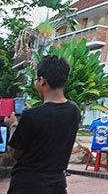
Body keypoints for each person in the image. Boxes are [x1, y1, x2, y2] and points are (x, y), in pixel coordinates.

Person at [3, 55, 81, 194]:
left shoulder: (32, 116)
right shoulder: (74, 111)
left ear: (42, 81)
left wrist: (13, 124)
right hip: (56, 185)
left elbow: (14, 153)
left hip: (27, 185)